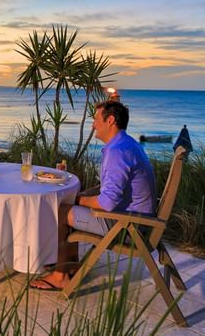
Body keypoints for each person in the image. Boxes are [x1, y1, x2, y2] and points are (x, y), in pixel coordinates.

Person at [30, 100, 156, 291]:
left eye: (96, 119)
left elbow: (106, 203)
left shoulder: (118, 151)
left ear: (110, 120)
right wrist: (84, 196)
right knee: (70, 207)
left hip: (130, 227)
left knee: (61, 211)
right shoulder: (127, 144)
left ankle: (61, 276)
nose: (93, 125)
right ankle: (69, 266)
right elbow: (112, 188)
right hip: (140, 220)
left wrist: (77, 199)